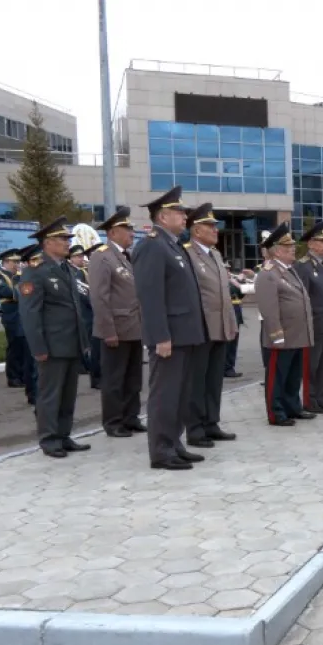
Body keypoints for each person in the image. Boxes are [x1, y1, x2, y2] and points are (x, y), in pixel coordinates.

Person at [132, 185, 206, 470]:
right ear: (163, 216)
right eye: (179, 211)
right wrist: (160, 335)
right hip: (169, 336)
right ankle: (161, 451)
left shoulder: (172, 244)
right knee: (165, 393)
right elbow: (150, 297)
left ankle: (175, 443)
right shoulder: (151, 246)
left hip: (185, 334)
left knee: (180, 393)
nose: (185, 216)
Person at [20, 217, 92, 458]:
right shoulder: (35, 271)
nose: (67, 243)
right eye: (62, 239)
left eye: (67, 239)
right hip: (51, 344)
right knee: (50, 394)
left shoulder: (66, 269)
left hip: (71, 342)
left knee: (68, 394)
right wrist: (38, 347)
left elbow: (74, 307)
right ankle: (49, 438)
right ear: (48, 242)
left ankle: (63, 434)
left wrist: (83, 341)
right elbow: (30, 314)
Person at [182, 202, 238, 448]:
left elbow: (223, 293)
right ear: (195, 230)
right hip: (201, 328)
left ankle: (211, 422)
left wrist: (231, 322)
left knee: (214, 379)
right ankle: (195, 429)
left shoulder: (215, 254)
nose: (216, 230)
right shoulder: (187, 254)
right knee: (197, 381)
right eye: (210, 226)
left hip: (220, 326)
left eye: (215, 226)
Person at [89, 207, 146, 438]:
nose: (132, 234)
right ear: (113, 232)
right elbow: (100, 297)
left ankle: (131, 418)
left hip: (134, 327)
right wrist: (108, 330)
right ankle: (113, 422)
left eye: (132, 230)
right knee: (114, 380)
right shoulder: (102, 256)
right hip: (116, 329)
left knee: (133, 378)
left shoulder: (127, 256)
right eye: (127, 230)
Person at [254, 224, 315, 426]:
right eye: (288, 247)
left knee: (292, 375)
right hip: (281, 336)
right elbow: (268, 308)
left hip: (296, 335)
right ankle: (276, 412)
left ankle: (292, 407)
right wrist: (276, 334)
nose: (293, 250)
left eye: (292, 246)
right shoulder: (268, 273)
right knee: (277, 377)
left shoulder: (289, 270)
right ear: (277, 251)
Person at [294, 221, 323, 413]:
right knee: (312, 365)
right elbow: (302, 297)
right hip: (315, 323)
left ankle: (321, 396)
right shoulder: (303, 266)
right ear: (311, 243)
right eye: (321, 242)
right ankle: (309, 399)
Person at [0, 249, 26, 389]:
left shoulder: (19, 275)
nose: (17, 264)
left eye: (18, 261)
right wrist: (22, 288)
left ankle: (23, 374)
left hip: (22, 313)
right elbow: (6, 292)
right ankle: (13, 377)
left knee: (24, 345)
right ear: (5, 262)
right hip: (11, 314)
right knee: (14, 345)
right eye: (14, 262)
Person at [68, 243, 101, 390]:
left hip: (99, 314)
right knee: (93, 347)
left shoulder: (95, 270)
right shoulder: (82, 273)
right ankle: (96, 379)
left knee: (100, 347)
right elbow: (84, 294)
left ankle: (101, 374)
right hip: (88, 315)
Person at [16, 243, 41, 406]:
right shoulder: (27, 278)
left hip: (41, 327)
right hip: (30, 327)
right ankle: (33, 394)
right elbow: (28, 306)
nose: (38, 263)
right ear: (27, 262)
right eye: (35, 260)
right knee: (33, 365)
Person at [224, 268, 244, 378]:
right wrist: (237, 282)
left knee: (233, 343)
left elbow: (241, 294)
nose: (228, 271)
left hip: (236, 313)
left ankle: (229, 366)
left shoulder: (230, 281)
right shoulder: (225, 282)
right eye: (226, 269)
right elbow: (234, 291)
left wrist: (239, 282)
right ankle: (227, 368)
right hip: (229, 313)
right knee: (229, 343)